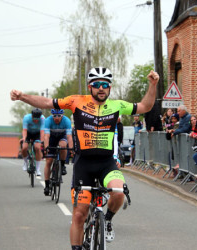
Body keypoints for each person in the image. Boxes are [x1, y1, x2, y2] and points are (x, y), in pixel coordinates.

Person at [10, 67, 159, 250]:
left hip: (106, 163)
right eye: (97, 85)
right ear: (90, 87)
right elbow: (47, 102)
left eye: (105, 85)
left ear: (110, 88)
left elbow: (146, 107)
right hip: (84, 164)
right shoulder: (76, 101)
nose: (101, 88)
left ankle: (108, 220)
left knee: (118, 192)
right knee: (79, 214)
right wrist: (23, 96)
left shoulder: (117, 105)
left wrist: (153, 85)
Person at [43, 109, 74, 196]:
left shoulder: (66, 121)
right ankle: (47, 185)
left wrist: (71, 149)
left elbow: (69, 137)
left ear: (62, 115)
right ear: (52, 115)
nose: (56, 118)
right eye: (54, 116)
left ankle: (63, 165)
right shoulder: (48, 121)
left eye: (59, 116)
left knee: (63, 145)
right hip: (51, 138)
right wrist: (46, 147)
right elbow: (46, 136)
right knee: (48, 161)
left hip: (62, 137)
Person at [21, 108, 45, 176]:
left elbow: (42, 132)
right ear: (32, 116)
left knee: (37, 147)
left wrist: (42, 141)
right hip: (28, 133)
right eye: (34, 119)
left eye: (38, 119)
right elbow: (24, 130)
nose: (36, 120)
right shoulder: (26, 118)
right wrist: (24, 139)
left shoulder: (43, 119)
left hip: (37, 134)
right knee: (24, 148)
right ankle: (25, 162)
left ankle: (38, 169)